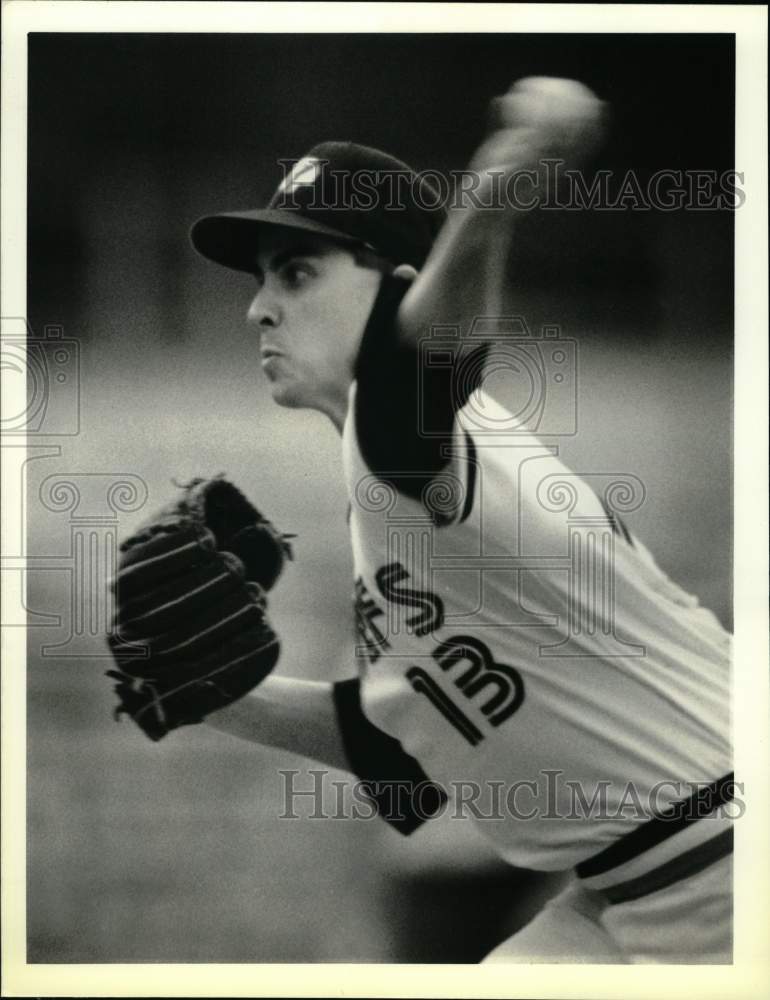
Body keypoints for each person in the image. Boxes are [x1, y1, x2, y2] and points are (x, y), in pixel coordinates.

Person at [172, 78, 733, 962]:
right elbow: (410, 753)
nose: (259, 306)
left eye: (299, 271)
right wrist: (210, 690)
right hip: (628, 887)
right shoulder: (400, 493)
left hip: (725, 865)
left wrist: (491, 199)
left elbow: (434, 359)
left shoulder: (402, 430)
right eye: (263, 278)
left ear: (399, 285)